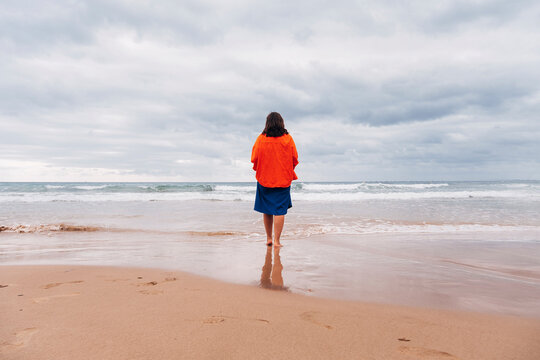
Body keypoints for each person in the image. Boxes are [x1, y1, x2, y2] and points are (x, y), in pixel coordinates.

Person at [251, 112, 299, 247]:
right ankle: (277, 241)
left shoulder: (261, 138)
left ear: (267, 123)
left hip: (265, 178)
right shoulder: (288, 139)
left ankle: (268, 238)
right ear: (281, 123)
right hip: (282, 178)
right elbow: (294, 158)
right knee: (279, 210)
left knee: (266, 209)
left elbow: (254, 158)